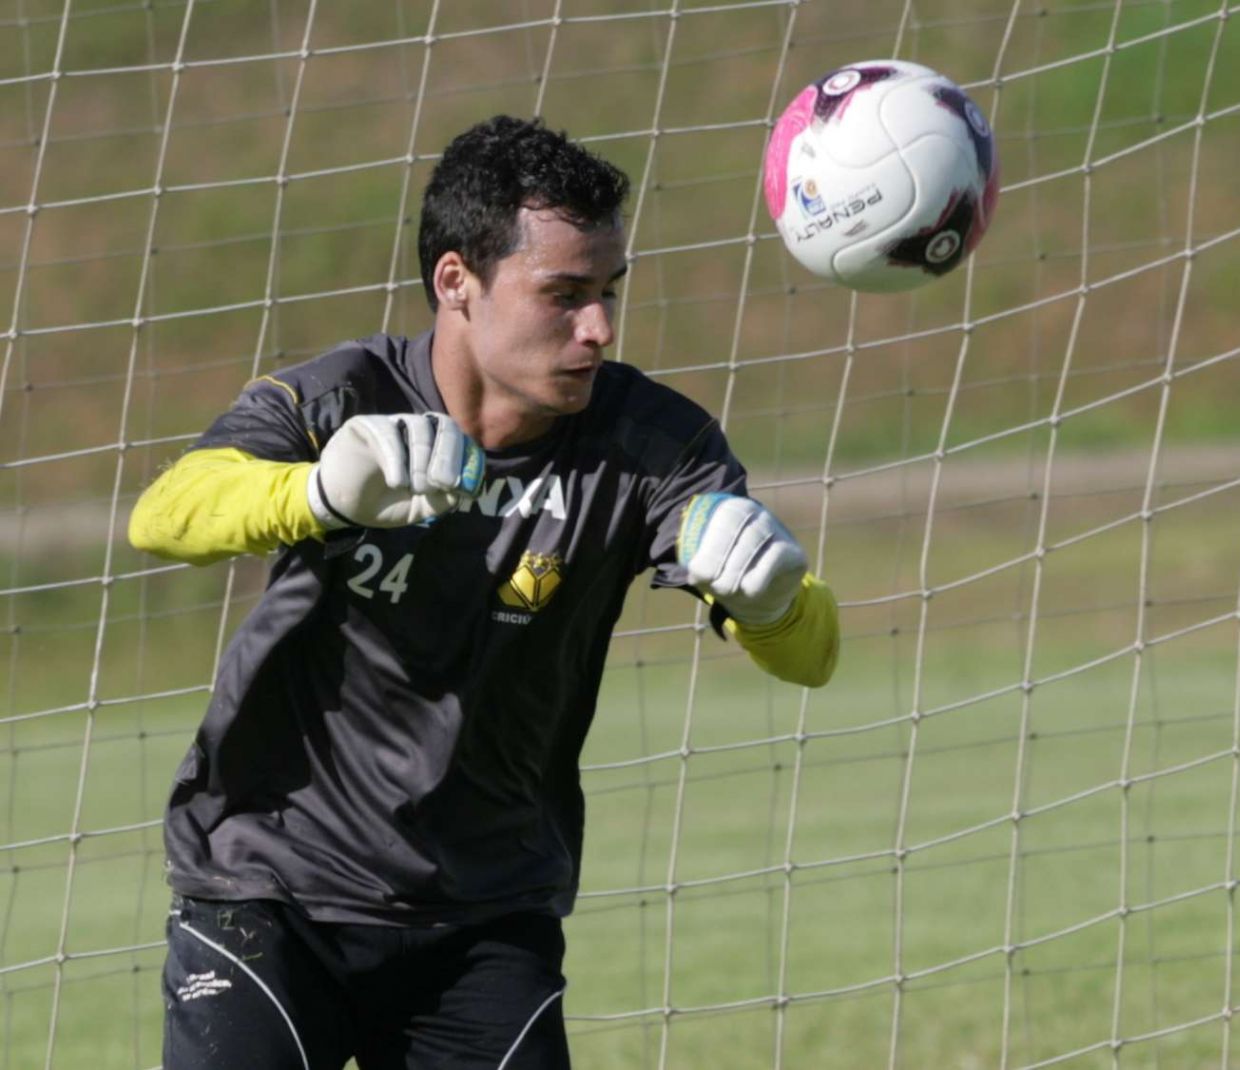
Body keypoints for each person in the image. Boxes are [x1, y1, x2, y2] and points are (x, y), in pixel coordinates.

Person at [128, 114, 838, 1069]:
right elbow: (166, 514)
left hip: (484, 912)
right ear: (456, 280)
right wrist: (322, 494)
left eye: (609, 292)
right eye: (564, 295)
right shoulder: (345, 399)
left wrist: (775, 605)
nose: (599, 327)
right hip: (271, 888)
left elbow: (812, 658)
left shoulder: (652, 445)